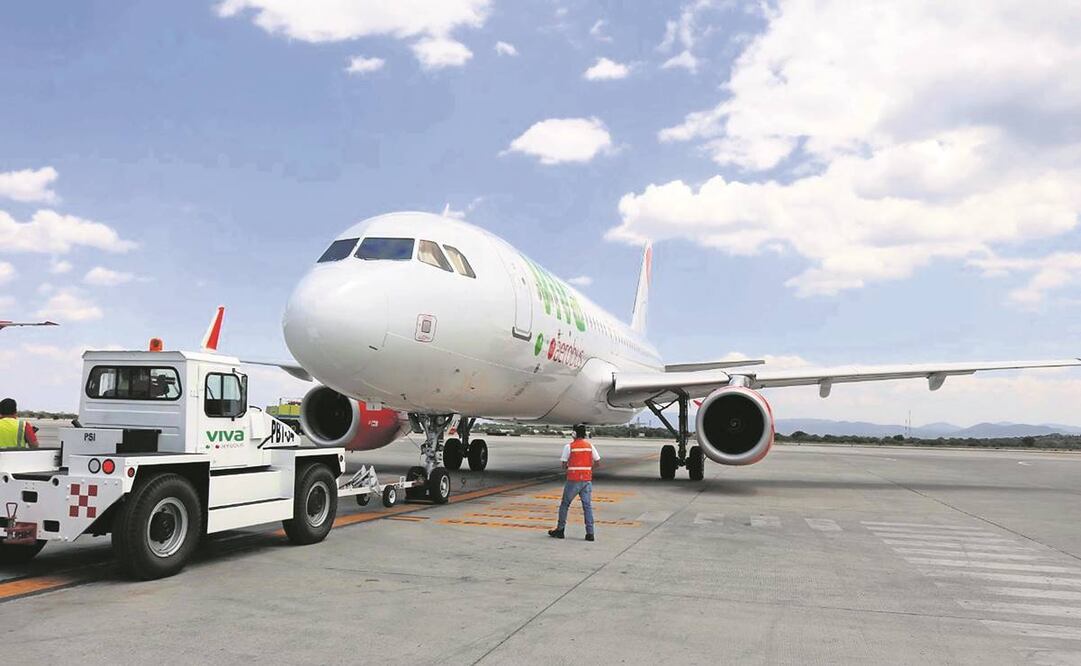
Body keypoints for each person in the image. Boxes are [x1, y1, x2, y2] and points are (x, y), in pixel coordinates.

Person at [549, 424, 600, 542]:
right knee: (587, 506)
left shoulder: (569, 447)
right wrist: (587, 469)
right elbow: (597, 462)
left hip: (573, 480)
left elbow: (563, 465)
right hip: (586, 480)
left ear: (574, 434)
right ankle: (590, 533)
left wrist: (572, 468)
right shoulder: (590, 446)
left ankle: (560, 530)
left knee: (565, 504)